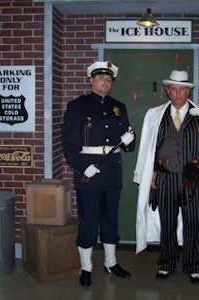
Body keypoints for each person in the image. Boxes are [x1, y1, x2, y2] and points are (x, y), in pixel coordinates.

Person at [133, 70, 199, 284]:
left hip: (194, 181)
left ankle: (192, 265)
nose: (178, 93)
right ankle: (166, 264)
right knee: (167, 223)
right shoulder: (154, 114)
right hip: (166, 178)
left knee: (193, 223)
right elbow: (147, 149)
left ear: (188, 91)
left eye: (182, 89)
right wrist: (149, 174)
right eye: (174, 89)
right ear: (168, 91)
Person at [62, 61, 135, 287]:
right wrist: (83, 166)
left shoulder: (118, 107)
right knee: (89, 220)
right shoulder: (77, 106)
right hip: (89, 173)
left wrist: (129, 141)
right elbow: (68, 144)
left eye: (109, 79)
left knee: (110, 219)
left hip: (112, 171)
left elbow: (129, 143)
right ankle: (86, 267)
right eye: (101, 78)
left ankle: (110, 262)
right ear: (91, 80)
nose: (105, 82)